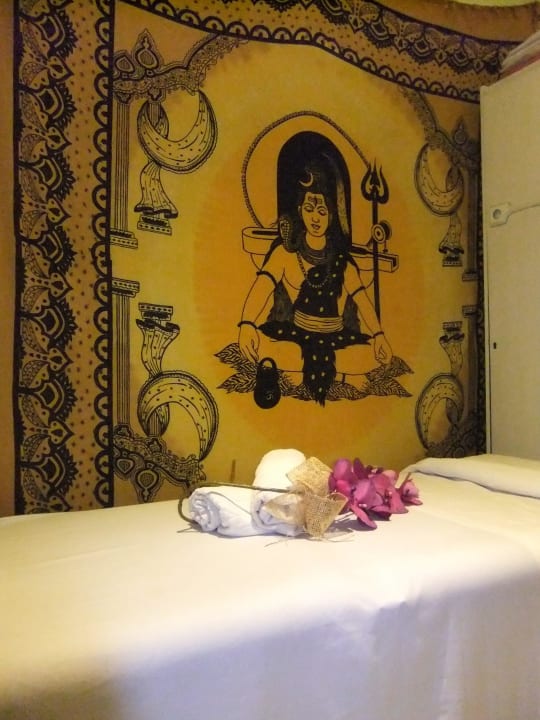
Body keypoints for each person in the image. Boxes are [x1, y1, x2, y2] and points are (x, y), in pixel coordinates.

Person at [238, 157, 392, 404]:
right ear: (300, 210)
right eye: (309, 209)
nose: (315, 218)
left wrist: (379, 334)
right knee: (276, 348)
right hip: (296, 335)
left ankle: (328, 373)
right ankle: (340, 376)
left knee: (366, 355)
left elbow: (362, 299)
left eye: (322, 211)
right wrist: (246, 324)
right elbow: (262, 287)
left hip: (334, 336)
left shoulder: (341, 259)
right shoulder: (285, 253)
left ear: (331, 215)